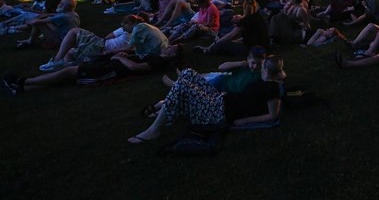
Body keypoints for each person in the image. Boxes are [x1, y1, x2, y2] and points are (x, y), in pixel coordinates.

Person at [127, 55, 285, 144]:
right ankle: (165, 107)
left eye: (262, 66)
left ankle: (153, 129)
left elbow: (272, 115)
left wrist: (244, 121)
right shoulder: (265, 81)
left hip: (220, 113)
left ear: (267, 70)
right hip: (220, 100)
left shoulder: (271, 88)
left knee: (183, 88)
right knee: (188, 73)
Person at [2, 44, 185, 95]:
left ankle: (23, 82)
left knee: (67, 74)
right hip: (112, 66)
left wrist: (118, 59)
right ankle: (23, 89)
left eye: (172, 48)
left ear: (172, 55)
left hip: (112, 72)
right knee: (66, 78)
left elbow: (137, 68)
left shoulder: (158, 62)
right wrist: (123, 56)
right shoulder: (156, 56)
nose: (168, 46)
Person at [15, 0, 80, 49]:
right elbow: (51, 16)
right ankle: (30, 39)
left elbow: (35, 22)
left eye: (61, 4)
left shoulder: (63, 16)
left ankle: (30, 41)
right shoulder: (73, 14)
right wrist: (46, 16)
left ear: (67, 7)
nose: (58, 5)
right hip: (69, 39)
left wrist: (31, 21)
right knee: (45, 21)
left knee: (38, 23)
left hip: (61, 41)